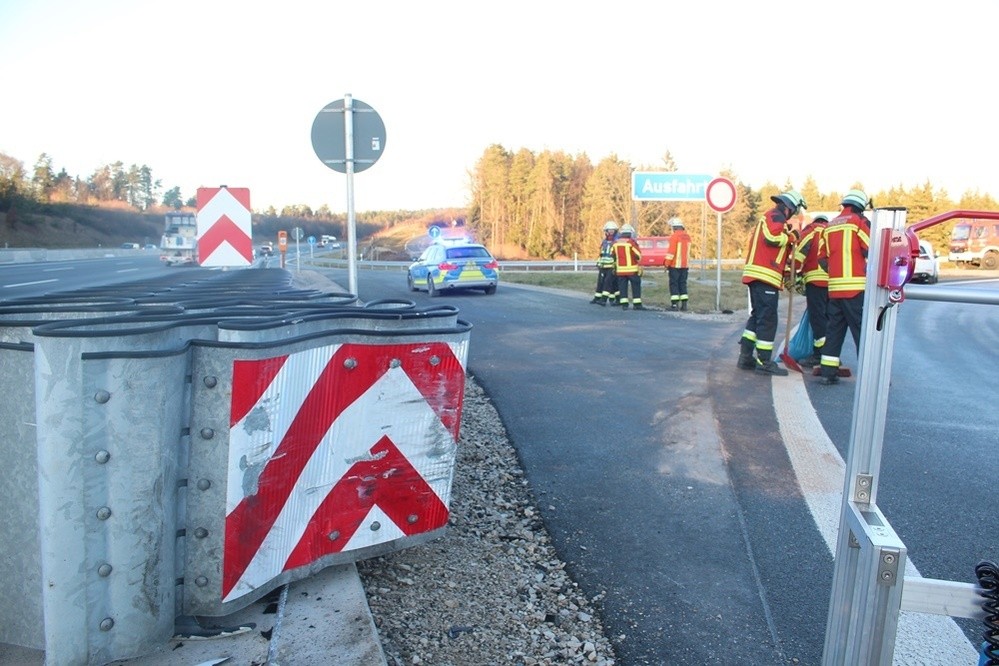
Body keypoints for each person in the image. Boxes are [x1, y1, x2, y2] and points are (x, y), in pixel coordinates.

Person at [738, 189, 805, 376]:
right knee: (768, 320)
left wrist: (787, 272)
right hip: (764, 277)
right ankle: (764, 362)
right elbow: (772, 238)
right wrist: (792, 237)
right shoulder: (776, 216)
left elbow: (775, 252)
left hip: (759, 276)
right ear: (790, 207)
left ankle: (745, 357)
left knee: (757, 317)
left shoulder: (772, 218)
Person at [817, 189, 872, 385]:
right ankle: (869, 375)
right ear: (861, 206)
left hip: (834, 289)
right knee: (861, 332)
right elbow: (871, 249)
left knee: (834, 331)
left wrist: (835, 274)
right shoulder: (859, 222)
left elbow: (822, 258)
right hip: (855, 288)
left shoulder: (829, 226)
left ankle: (828, 373)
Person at [792, 213, 830, 367]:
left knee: (817, 318)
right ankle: (830, 354)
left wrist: (792, 271)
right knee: (830, 319)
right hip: (834, 282)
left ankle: (819, 354)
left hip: (816, 280)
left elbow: (800, 252)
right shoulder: (833, 230)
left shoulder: (812, 230)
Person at [612, 224, 644, 310]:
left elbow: (612, 254)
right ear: (630, 233)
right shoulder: (631, 243)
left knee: (622, 287)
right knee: (635, 286)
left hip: (620, 271)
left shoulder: (615, 243)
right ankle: (637, 304)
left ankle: (624, 304)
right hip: (632, 270)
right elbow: (638, 255)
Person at [664, 217, 692, 310]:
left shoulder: (674, 237)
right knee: (683, 284)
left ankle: (674, 305)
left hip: (675, 265)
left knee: (674, 284)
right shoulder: (688, 237)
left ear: (674, 228)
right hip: (685, 265)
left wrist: (666, 264)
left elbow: (671, 252)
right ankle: (684, 305)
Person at [591, 220, 619, 305]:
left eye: (612, 230)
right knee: (601, 282)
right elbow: (601, 254)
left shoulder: (617, 241)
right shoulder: (604, 241)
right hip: (603, 266)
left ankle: (603, 300)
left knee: (608, 283)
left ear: (615, 231)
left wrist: (615, 266)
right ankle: (597, 298)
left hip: (611, 266)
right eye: (609, 230)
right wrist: (599, 263)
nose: (610, 232)